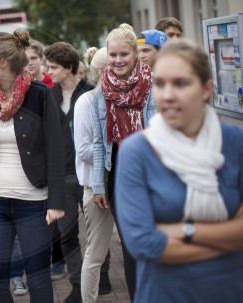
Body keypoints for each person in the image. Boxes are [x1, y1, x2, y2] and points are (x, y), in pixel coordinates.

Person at [116, 39, 243, 302]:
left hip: (230, 291)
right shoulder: (137, 150)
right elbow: (142, 243)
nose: (168, 94)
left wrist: (185, 231)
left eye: (181, 83)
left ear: (207, 89)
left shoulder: (234, 142)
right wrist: (229, 241)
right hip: (166, 293)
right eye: (160, 84)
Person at [0, 28, 65, 303]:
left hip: (34, 203)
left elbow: (55, 151)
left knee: (38, 280)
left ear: (3, 62)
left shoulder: (39, 95)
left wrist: (56, 201)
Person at [92, 23, 156, 301]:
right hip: (118, 173)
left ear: (136, 54)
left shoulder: (155, 85)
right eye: (113, 55)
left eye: (124, 55)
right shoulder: (100, 92)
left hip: (154, 172)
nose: (118, 61)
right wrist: (98, 185)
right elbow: (98, 142)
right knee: (131, 246)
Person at [43, 41, 99, 302]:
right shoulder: (47, 95)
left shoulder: (91, 93)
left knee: (97, 234)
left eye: (53, 67)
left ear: (69, 67)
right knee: (67, 236)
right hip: (61, 176)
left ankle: (100, 280)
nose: (48, 71)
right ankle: (77, 285)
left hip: (90, 175)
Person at [73, 46, 113, 303]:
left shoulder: (124, 98)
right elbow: (85, 149)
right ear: (102, 71)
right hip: (96, 187)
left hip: (123, 183)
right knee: (95, 255)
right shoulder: (86, 101)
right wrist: (119, 149)